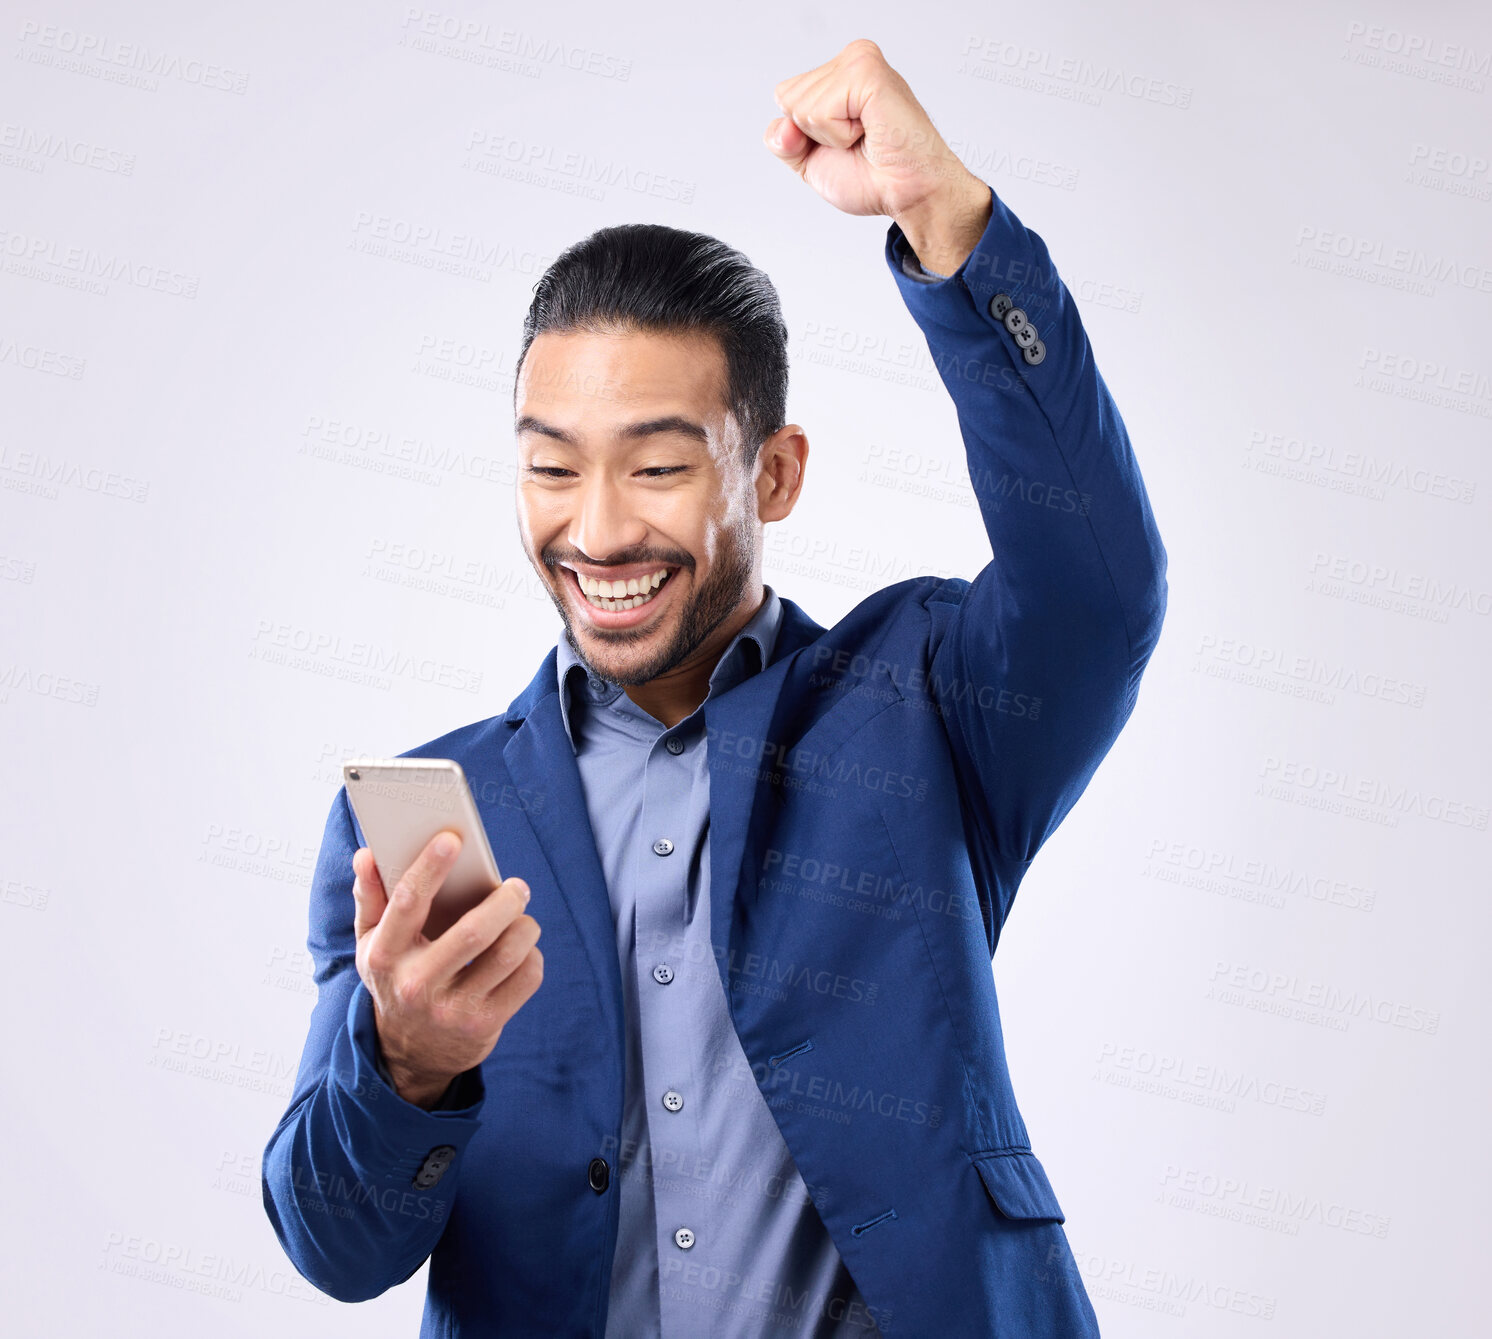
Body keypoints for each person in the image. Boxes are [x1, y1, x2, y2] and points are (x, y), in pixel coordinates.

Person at [263, 37, 1166, 1338]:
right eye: (553, 467)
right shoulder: (420, 817)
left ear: (776, 474)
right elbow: (333, 1250)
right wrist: (406, 1065)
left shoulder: (925, 709)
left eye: (659, 466)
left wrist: (951, 225)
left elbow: (1098, 586)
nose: (600, 528)